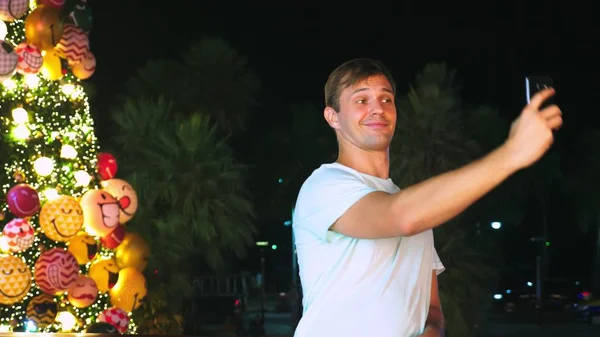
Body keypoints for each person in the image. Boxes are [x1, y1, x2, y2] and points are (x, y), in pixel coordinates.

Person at [292, 58, 562, 337]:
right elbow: (401, 217)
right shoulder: (324, 186)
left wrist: (433, 329)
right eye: (361, 100)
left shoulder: (409, 203)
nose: (378, 108)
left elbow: (430, 306)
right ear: (333, 117)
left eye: (386, 99)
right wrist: (512, 153)